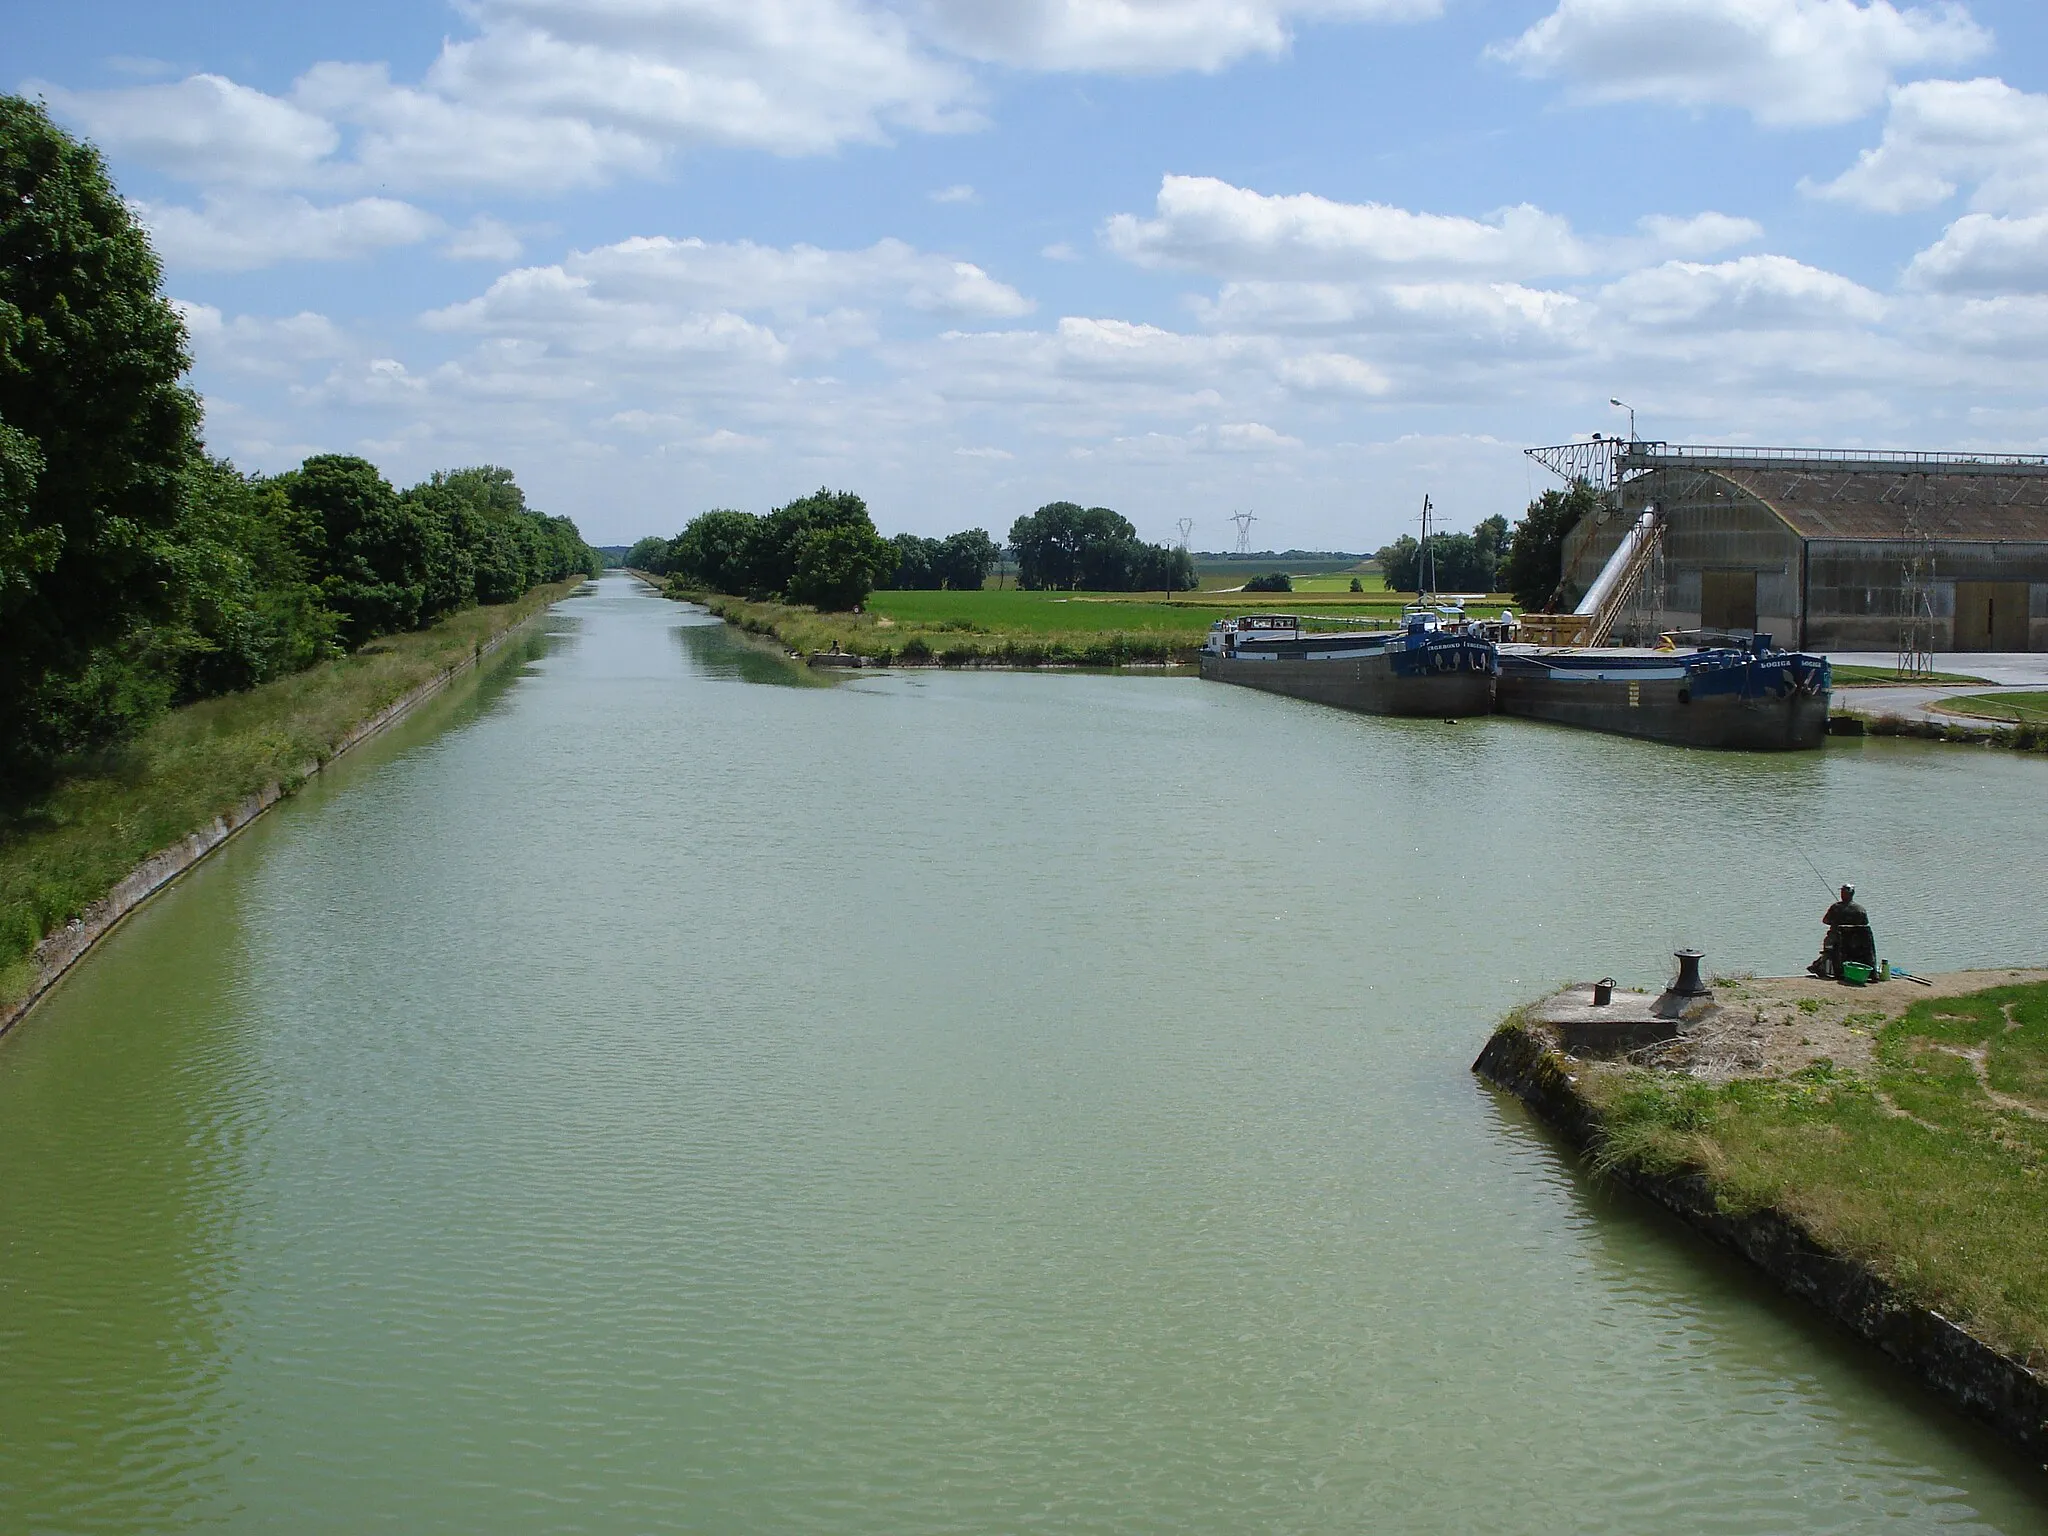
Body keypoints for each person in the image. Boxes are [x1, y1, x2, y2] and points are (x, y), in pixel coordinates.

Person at [1808, 884, 1876, 979]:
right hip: (1856, 943)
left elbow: (1825, 921)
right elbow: (1865, 924)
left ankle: (1820, 965)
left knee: (1829, 941)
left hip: (1838, 940)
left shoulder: (1836, 907)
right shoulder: (1860, 909)